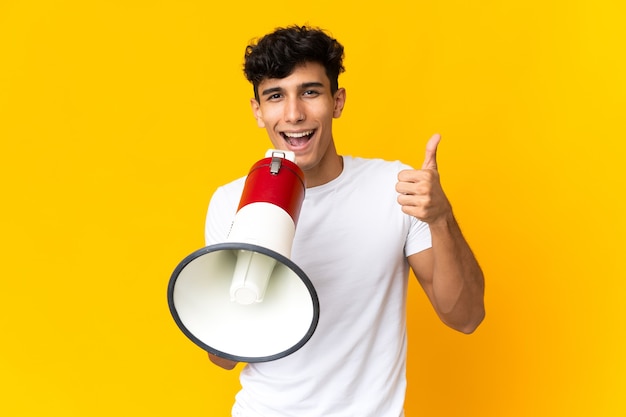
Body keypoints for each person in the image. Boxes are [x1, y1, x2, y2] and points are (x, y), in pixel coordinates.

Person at [204, 25, 485, 417]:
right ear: (258, 111)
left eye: (310, 92)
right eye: (275, 96)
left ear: (337, 102)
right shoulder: (231, 202)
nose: (293, 114)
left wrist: (441, 217)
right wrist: (253, 261)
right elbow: (222, 359)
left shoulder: (396, 188)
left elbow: (466, 317)